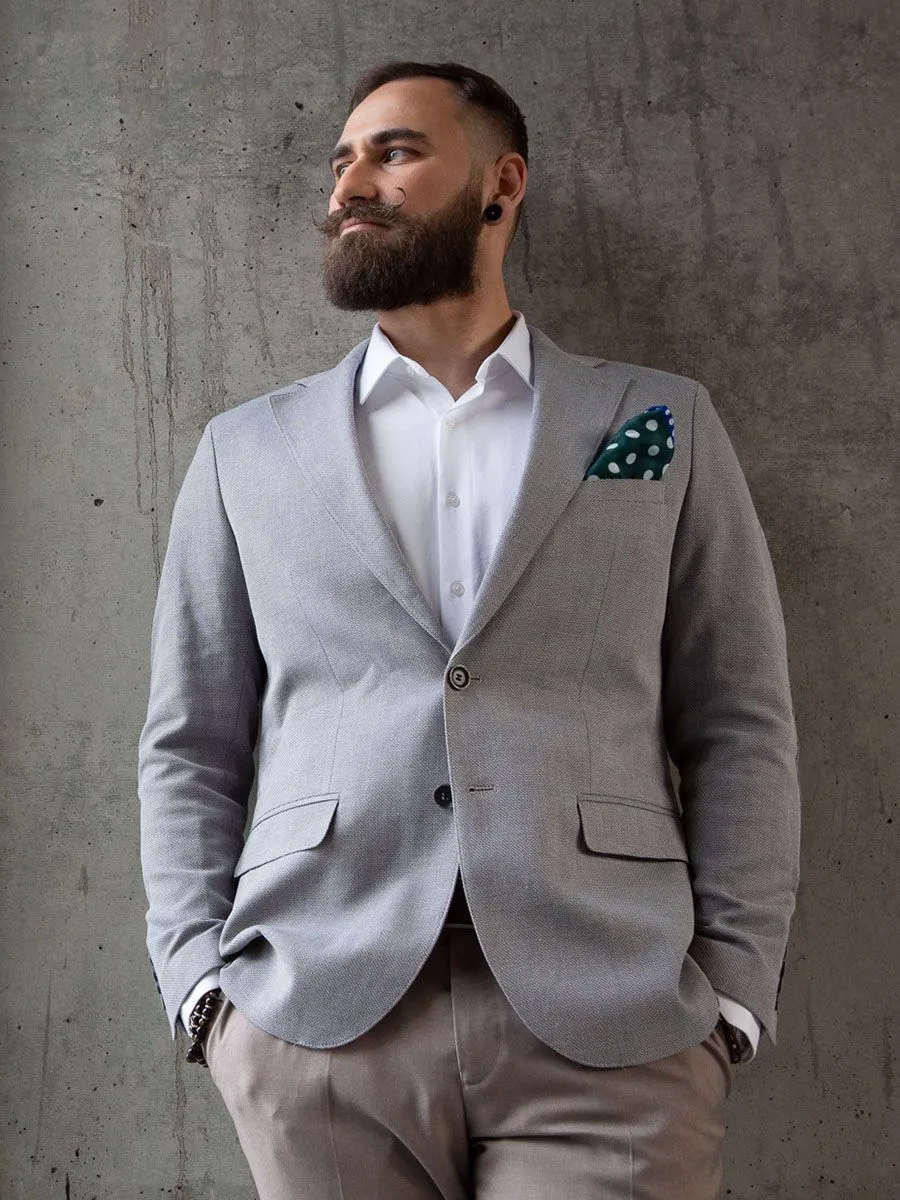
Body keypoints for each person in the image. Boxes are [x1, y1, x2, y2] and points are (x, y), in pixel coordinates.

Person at [139, 59, 801, 1200]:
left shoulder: (657, 418)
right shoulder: (245, 450)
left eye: (395, 151)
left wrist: (735, 989)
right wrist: (203, 986)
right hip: (318, 1012)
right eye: (342, 160)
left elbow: (739, 721)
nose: (352, 184)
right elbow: (190, 740)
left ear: (502, 184)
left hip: (614, 1011)